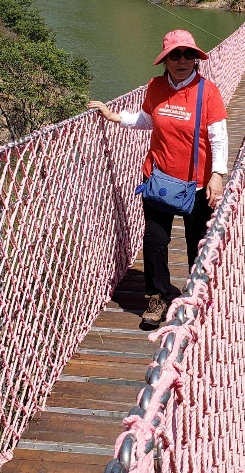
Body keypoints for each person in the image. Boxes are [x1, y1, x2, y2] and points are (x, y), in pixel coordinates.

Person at [89, 30, 228, 329]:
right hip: (159, 178)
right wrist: (115, 117)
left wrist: (218, 175)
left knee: (198, 244)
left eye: (188, 54)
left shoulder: (209, 92)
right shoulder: (155, 87)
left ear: (196, 59)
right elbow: (148, 119)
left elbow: (218, 137)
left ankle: (195, 299)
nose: (182, 60)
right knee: (154, 240)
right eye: (175, 55)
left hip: (198, 184)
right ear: (165, 61)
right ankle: (157, 297)